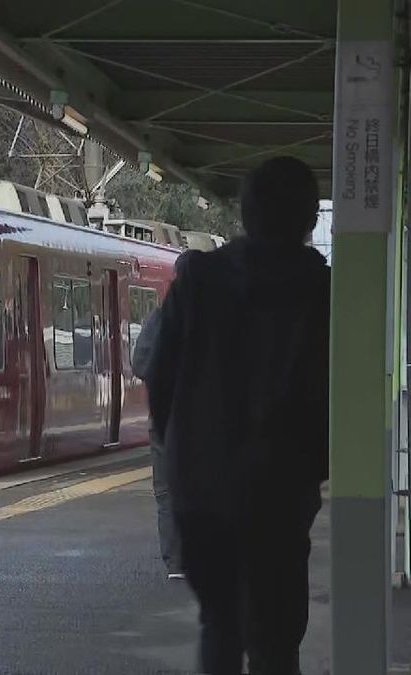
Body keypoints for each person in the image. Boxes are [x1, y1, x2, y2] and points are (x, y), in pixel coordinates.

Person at [141, 155, 329, 675]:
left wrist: (179, 445)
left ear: (244, 213)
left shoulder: (199, 280)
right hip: (283, 489)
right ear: (310, 219)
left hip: (203, 489)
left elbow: (159, 371)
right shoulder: (321, 291)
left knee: (219, 625)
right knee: (275, 635)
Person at [130, 258, 188, 582]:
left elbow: (139, 364)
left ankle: (176, 563)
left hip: (166, 422)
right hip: (208, 424)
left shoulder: (160, 318)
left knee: (167, 492)